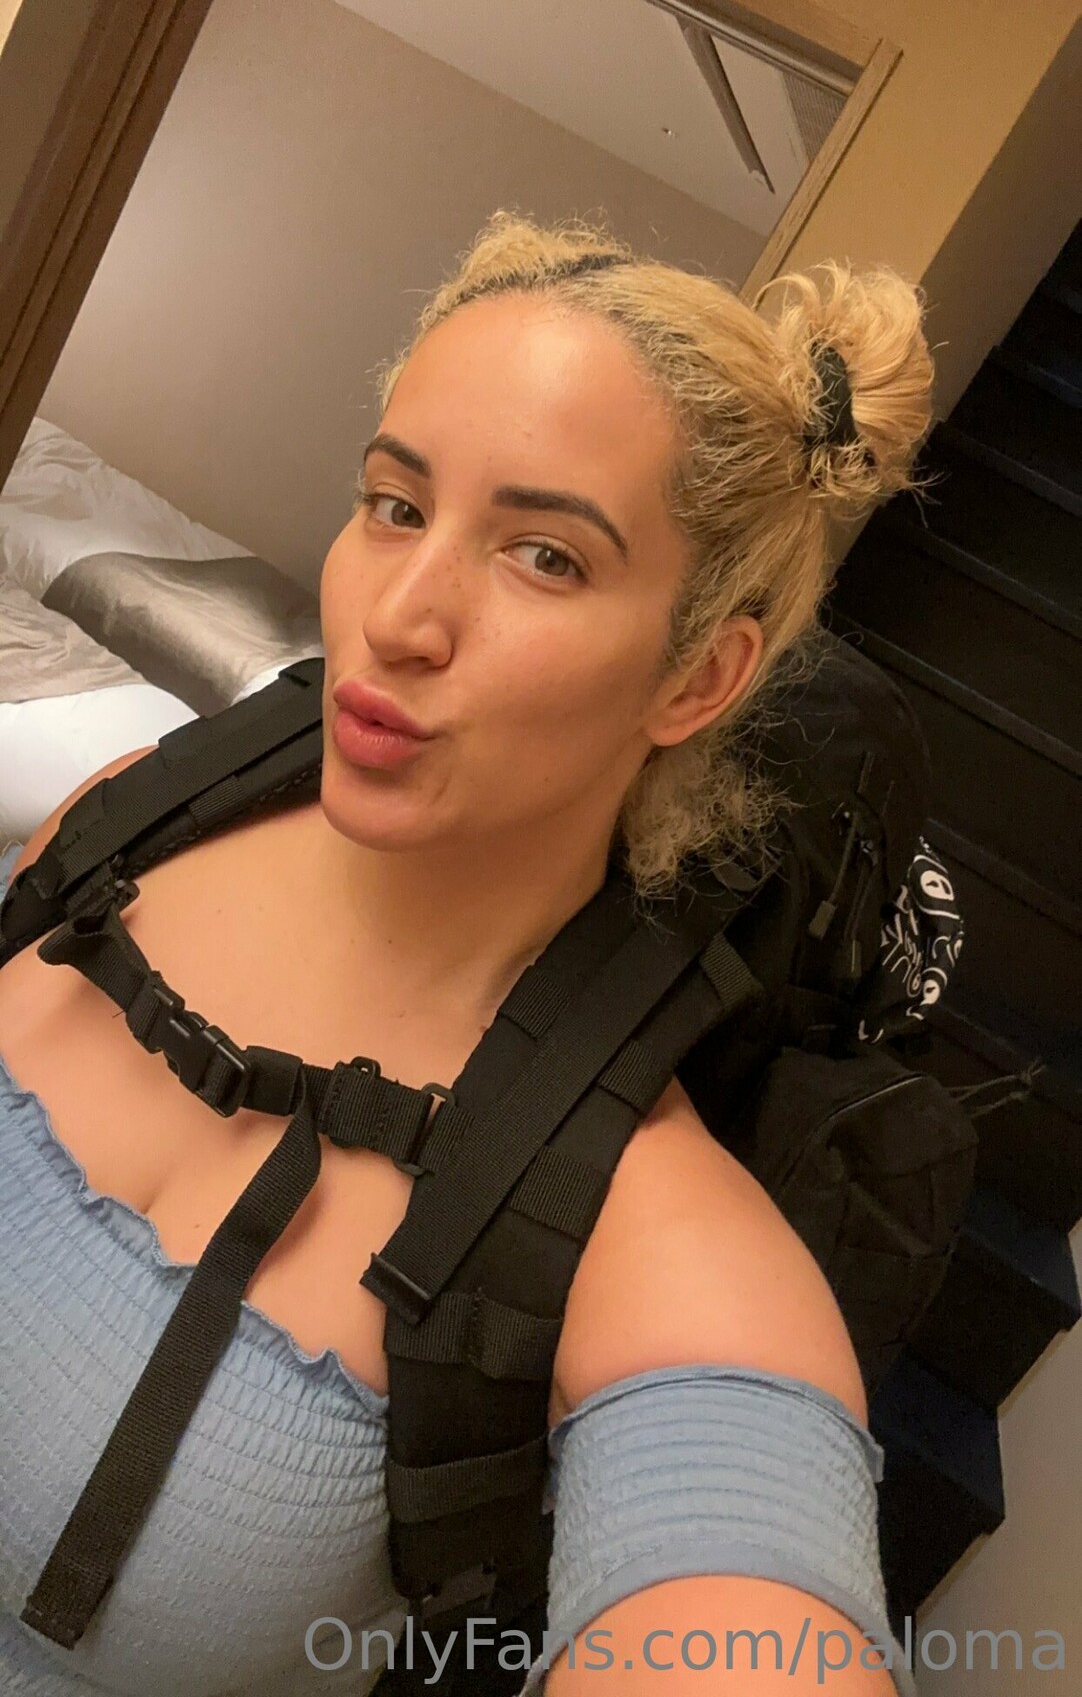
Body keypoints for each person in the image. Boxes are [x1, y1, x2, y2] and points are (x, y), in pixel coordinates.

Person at [0, 211, 934, 1696]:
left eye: (545, 557)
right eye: (393, 505)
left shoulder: (658, 1250)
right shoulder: (124, 821)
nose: (400, 617)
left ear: (696, 677)